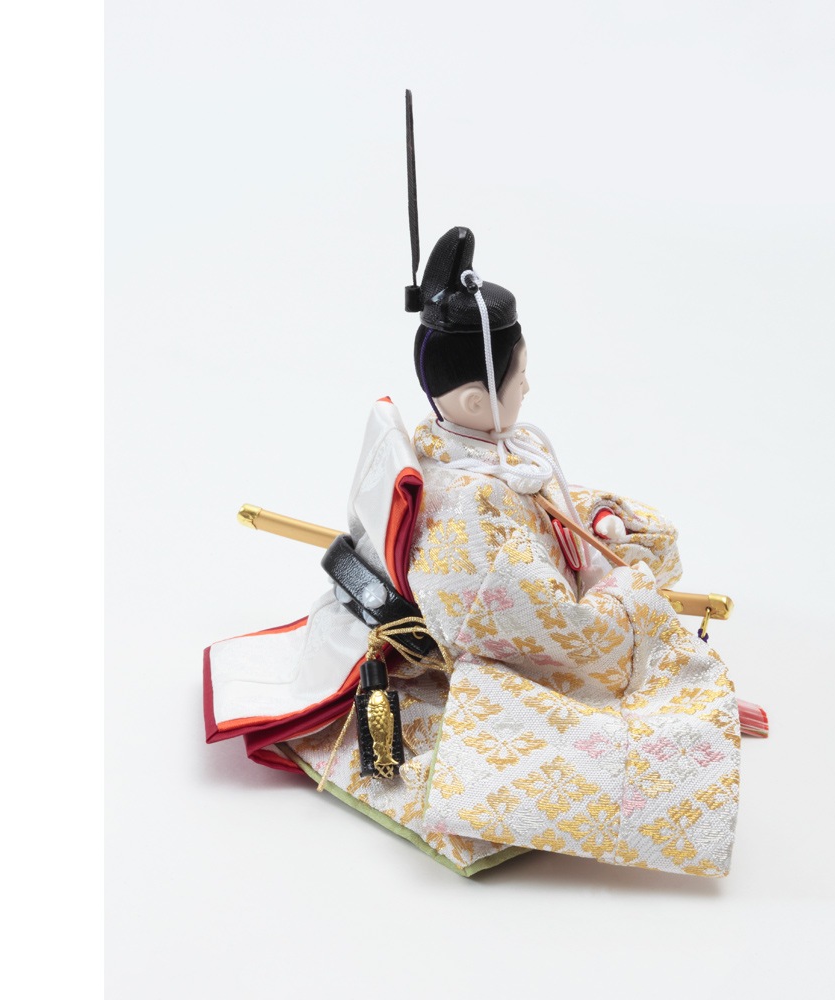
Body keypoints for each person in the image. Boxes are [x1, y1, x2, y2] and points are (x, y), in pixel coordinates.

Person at [277, 226, 743, 877]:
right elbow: (552, 630)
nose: (529, 387)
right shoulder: (467, 507)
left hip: (525, 591)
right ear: (476, 398)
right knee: (645, 729)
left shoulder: (483, 443)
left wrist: (601, 522)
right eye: (520, 376)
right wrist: (630, 594)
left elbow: (545, 494)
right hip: (486, 641)